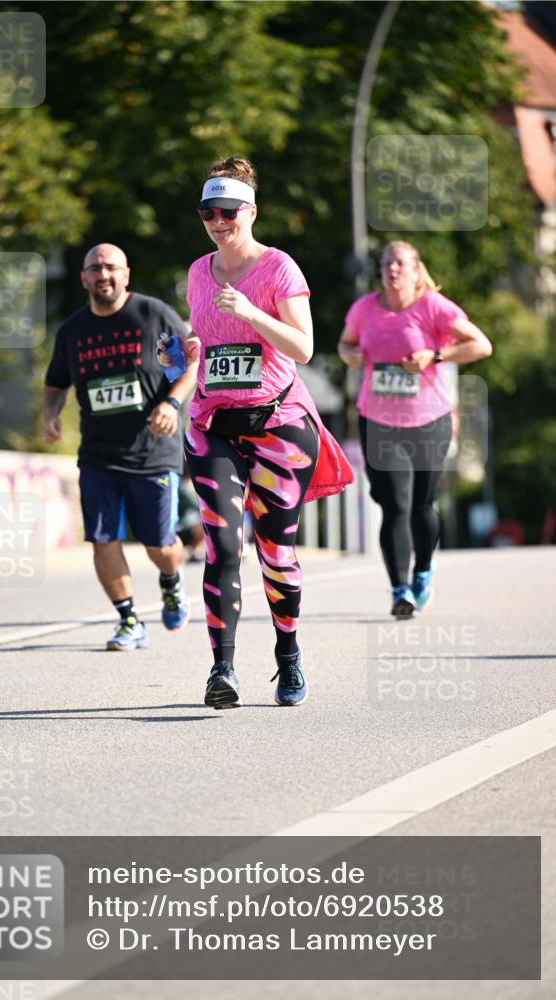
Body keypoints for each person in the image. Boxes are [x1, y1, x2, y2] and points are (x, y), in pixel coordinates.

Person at [160, 156, 354, 709]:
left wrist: (250, 312)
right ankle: (222, 669)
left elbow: (303, 347)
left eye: (226, 212)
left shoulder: (279, 269)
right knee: (223, 545)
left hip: (278, 423)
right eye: (207, 213)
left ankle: (288, 657)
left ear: (250, 211)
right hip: (214, 424)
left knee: (275, 551)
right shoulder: (199, 272)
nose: (217, 222)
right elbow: (205, 344)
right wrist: (180, 353)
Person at [44, 243, 199, 650]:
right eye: (94, 268)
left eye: (110, 267)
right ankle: (129, 619)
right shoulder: (72, 331)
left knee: (160, 545)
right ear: (84, 279)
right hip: (98, 454)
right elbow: (57, 382)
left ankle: (171, 580)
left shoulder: (152, 316)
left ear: (126, 274)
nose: (103, 274)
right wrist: (50, 414)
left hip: (152, 451)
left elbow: (188, 367)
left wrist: (171, 402)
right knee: (102, 539)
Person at [338, 240, 492, 618]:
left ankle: (423, 569)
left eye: (400, 263)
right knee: (394, 506)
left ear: (415, 269)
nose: (392, 269)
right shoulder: (365, 309)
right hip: (378, 421)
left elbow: (481, 345)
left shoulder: (434, 308)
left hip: (428, 420)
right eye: (387, 262)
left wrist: (435, 355)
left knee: (422, 505)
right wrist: (351, 355)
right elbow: (345, 343)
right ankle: (399, 589)